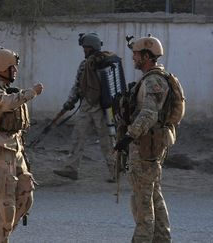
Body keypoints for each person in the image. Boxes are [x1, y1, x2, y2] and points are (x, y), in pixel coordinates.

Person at [0, 47, 43, 243]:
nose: (15, 71)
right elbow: (5, 103)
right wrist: (31, 93)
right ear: (1, 68)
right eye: (12, 68)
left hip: (15, 149)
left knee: (26, 195)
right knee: (5, 207)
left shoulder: (3, 87)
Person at [114, 35, 177, 243]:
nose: (134, 58)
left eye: (137, 54)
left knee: (142, 203)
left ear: (147, 56)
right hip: (149, 147)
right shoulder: (151, 79)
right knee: (154, 197)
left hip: (144, 149)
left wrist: (129, 136)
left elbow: (149, 114)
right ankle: (162, 239)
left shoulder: (154, 81)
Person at [53, 33, 115, 181]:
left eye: (86, 48)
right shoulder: (92, 64)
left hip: (100, 108)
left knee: (106, 140)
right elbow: (79, 85)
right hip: (91, 106)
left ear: (92, 48)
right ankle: (71, 168)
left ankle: (115, 171)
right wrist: (70, 103)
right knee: (78, 137)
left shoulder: (100, 64)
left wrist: (70, 102)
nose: (84, 50)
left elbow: (78, 86)